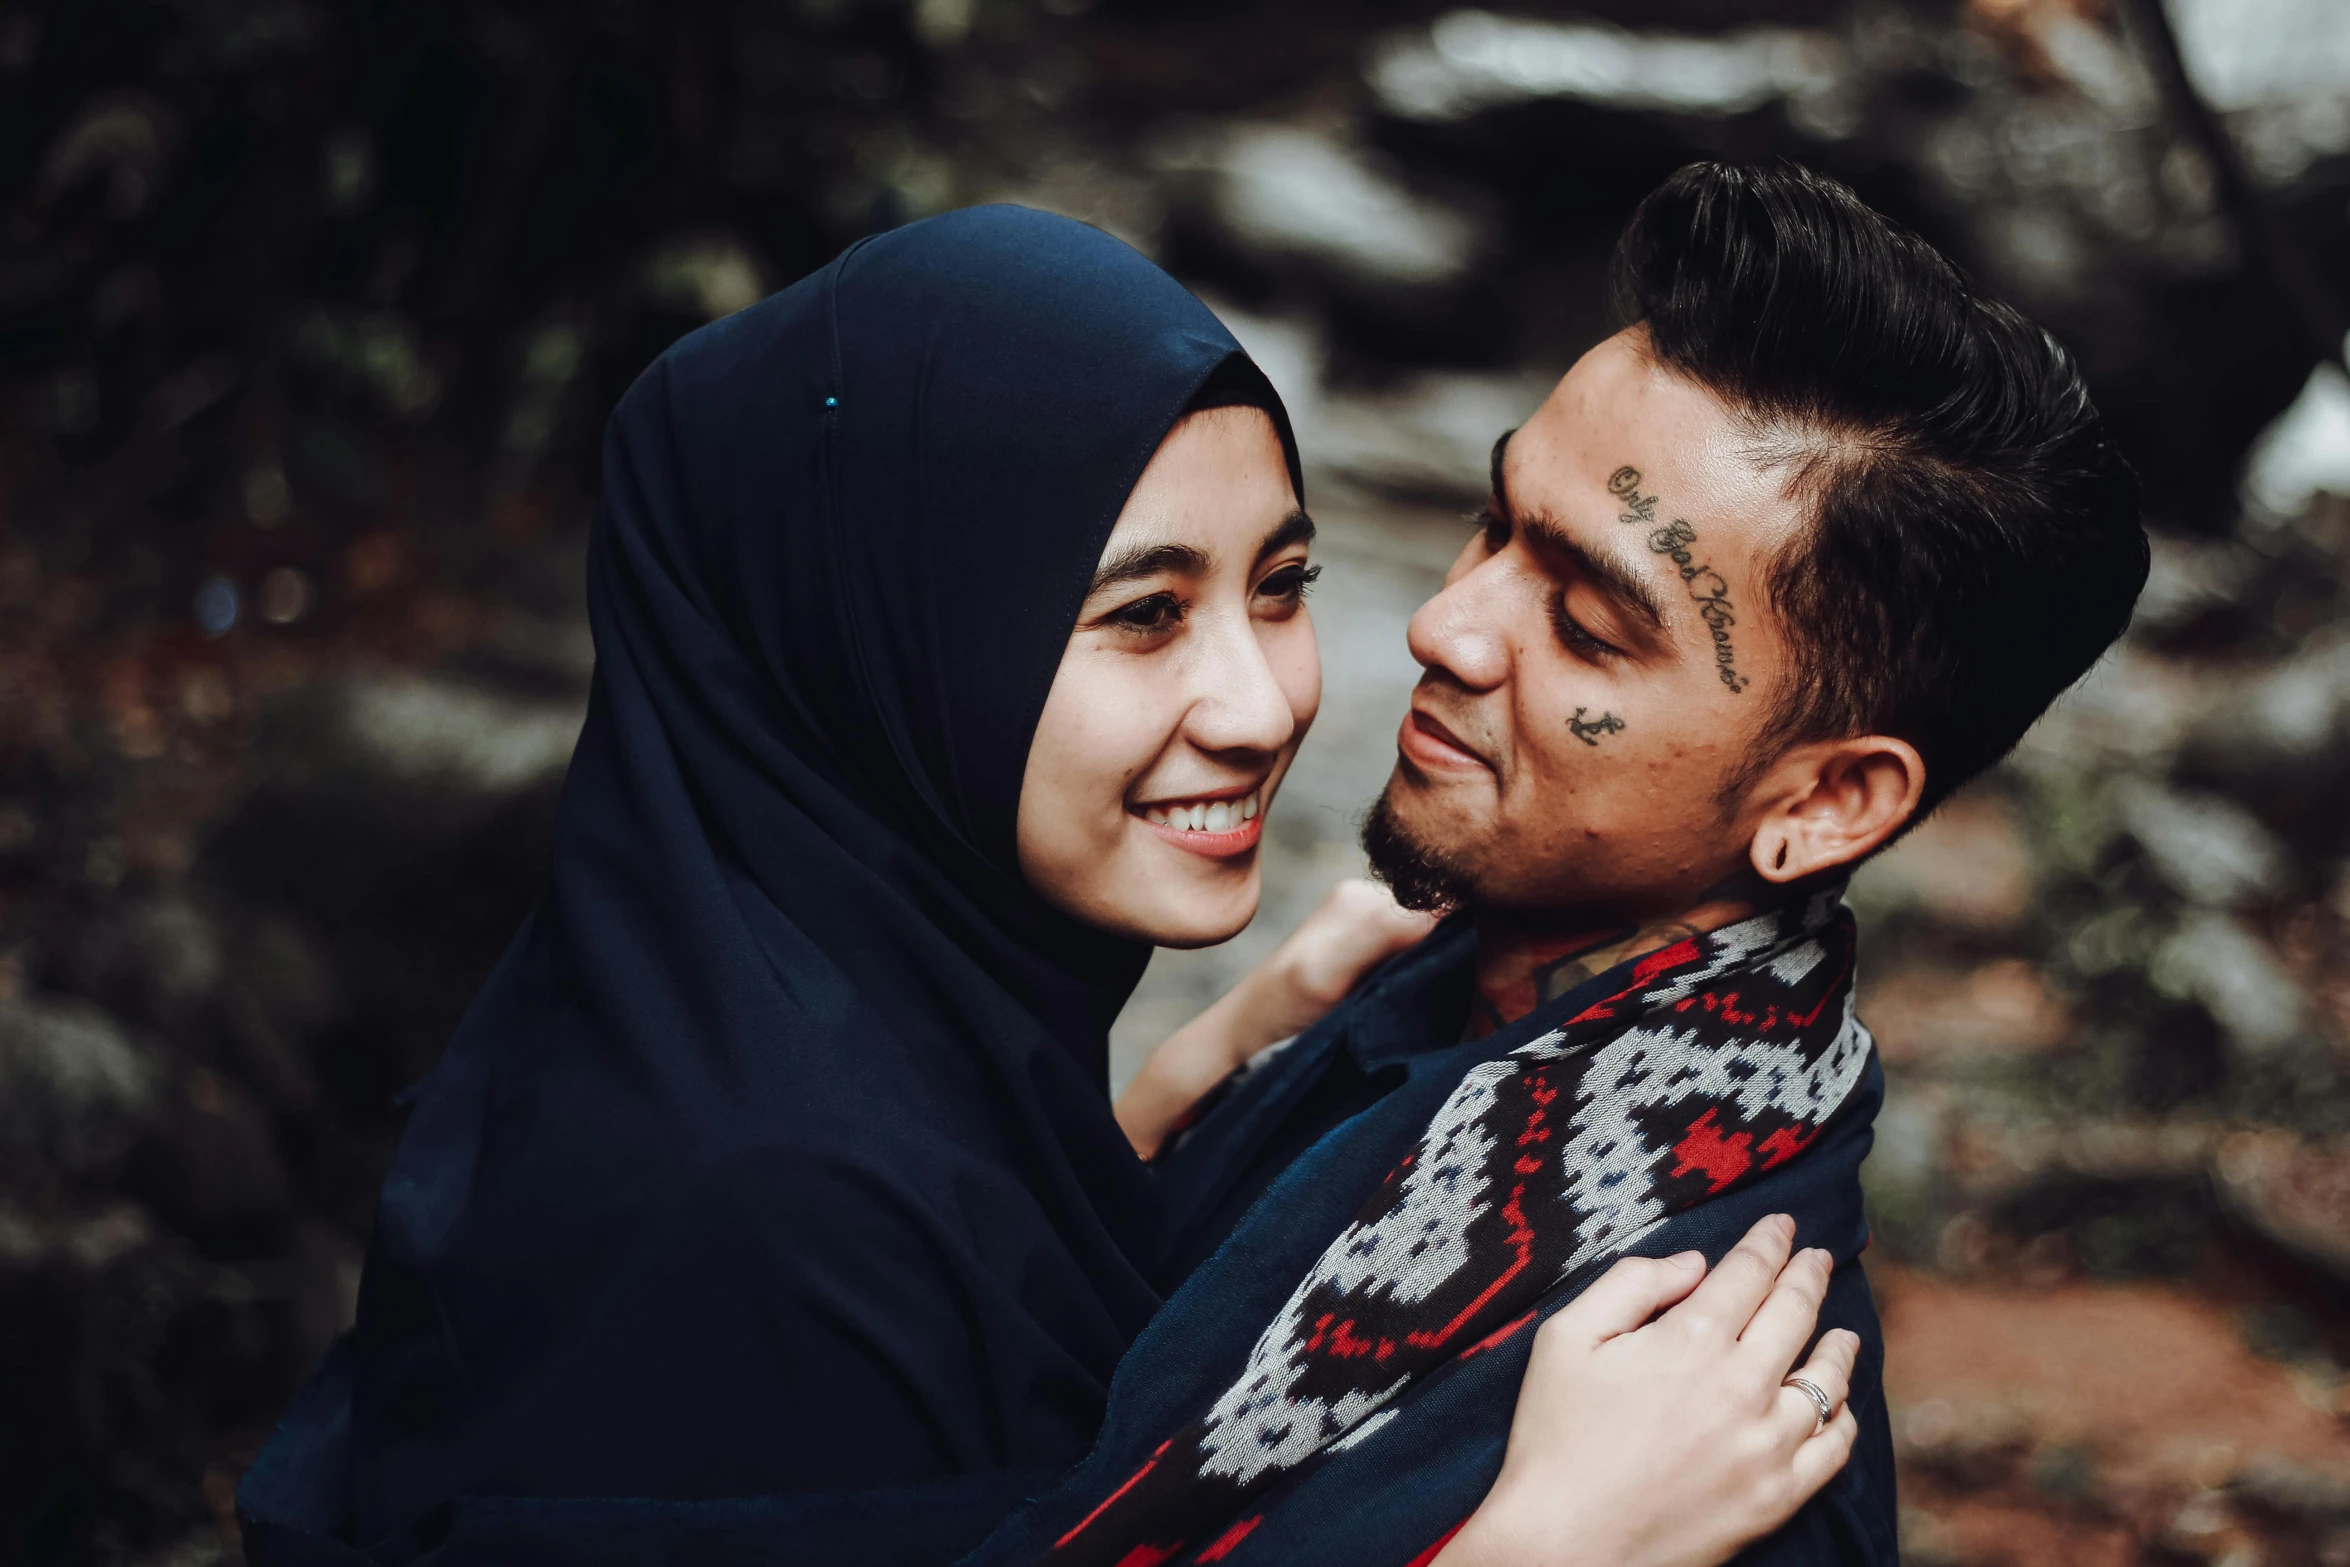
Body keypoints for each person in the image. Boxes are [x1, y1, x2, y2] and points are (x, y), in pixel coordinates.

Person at [237, 203, 1856, 1567]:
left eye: (1279, 585)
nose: (1262, 699)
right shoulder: (758, 1220)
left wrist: (1212, 1068)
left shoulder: (771, 987)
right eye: (1142, 615)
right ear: (884, 653)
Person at [976, 161, 2148, 1565]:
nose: (1447, 626)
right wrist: (1202, 1071)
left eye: (1587, 623)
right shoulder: (1423, 994)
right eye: (1492, 524)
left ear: (1828, 800)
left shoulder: (1700, 1409)